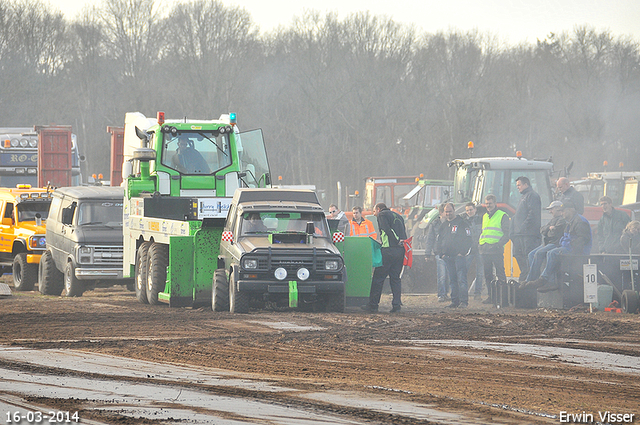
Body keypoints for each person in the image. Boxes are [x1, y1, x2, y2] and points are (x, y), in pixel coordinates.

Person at [530, 200, 592, 293]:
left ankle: (546, 280)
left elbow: (583, 239)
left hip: (578, 251)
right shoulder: (570, 221)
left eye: (563, 211)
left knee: (552, 253)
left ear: (570, 210)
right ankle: (545, 280)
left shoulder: (580, 221)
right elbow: (564, 237)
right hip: (568, 248)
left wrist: (572, 249)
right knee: (551, 252)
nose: (561, 213)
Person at [362, 202, 407, 313]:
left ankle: (373, 305)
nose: (374, 214)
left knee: (378, 278)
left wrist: (394, 242)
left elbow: (386, 229)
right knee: (395, 278)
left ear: (378, 209)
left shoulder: (382, 215)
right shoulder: (398, 216)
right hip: (400, 251)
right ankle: (396, 305)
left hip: (388, 250)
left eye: (374, 212)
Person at [435, 202, 472, 308]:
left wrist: (463, 252)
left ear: (454, 210)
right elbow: (439, 240)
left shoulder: (462, 223)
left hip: (459, 257)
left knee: (461, 279)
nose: (448, 213)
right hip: (447, 257)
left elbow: (468, 239)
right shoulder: (443, 225)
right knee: (452, 280)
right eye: (446, 212)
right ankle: (454, 301)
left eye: (450, 211)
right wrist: (441, 253)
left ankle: (464, 301)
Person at [478, 194, 510, 305]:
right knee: (488, 275)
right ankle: (492, 297)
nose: (488, 206)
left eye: (490, 203)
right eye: (486, 204)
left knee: (500, 274)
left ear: (495, 203)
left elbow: (507, 233)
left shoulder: (502, 215)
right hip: (485, 249)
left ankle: (503, 299)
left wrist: (499, 244)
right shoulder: (484, 216)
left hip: (496, 250)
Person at [524, 200, 567, 283]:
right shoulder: (553, 220)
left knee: (538, 253)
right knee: (531, 255)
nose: (550, 212)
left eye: (552, 209)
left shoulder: (562, 220)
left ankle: (531, 280)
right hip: (547, 243)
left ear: (558, 208)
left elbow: (553, 234)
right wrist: (549, 229)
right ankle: (536, 277)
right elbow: (542, 230)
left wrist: (547, 231)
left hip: (555, 243)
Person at [510, 176, 542, 283]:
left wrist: (523, 227)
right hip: (520, 235)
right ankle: (524, 276)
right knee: (518, 255)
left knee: (528, 257)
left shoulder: (532, 196)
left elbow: (533, 213)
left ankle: (529, 280)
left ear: (526, 184)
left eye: (519, 185)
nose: (517, 187)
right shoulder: (523, 196)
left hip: (528, 235)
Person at [424, 204, 450, 302]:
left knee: (448, 275)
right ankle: (441, 294)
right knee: (442, 274)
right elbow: (430, 239)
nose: (447, 214)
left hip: (449, 252)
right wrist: (427, 253)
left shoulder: (450, 223)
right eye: (445, 212)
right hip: (439, 252)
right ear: (440, 213)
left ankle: (445, 293)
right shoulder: (435, 224)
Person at [462, 202, 484, 300]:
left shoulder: (482, 219)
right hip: (469, 249)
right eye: (467, 210)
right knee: (463, 270)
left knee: (480, 272)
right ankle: (463, 292)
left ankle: (477, 293)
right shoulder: (464, 221)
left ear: (475, 209)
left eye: (470, 210)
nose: (469, 212)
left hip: (480, 248)